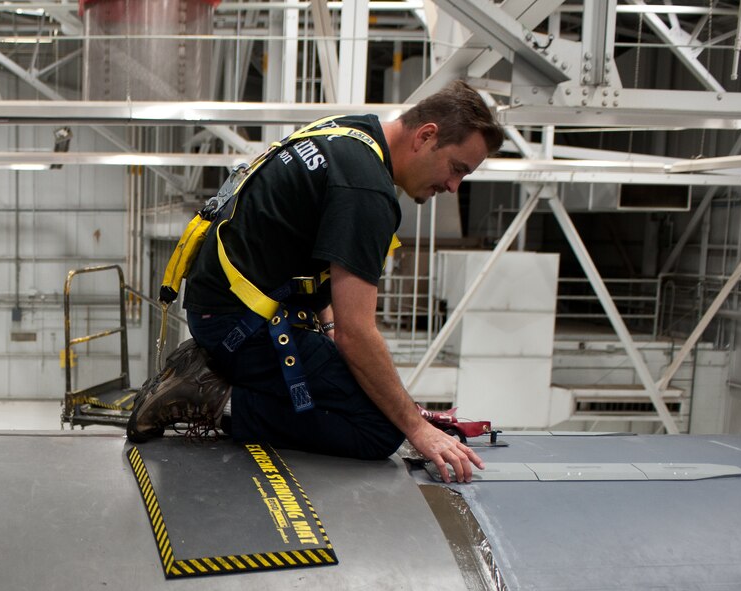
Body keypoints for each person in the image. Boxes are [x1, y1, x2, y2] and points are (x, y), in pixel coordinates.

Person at [127, 80, 504, 483]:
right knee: (379, 429)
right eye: (457, 169)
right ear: (426, 136)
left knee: (376, 392)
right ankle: (214, 399)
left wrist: (326, 328)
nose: (453, 187)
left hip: (229, 308)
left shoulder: (348, 134)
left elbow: (309, 260)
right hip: (240, 326)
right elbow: (357, 334)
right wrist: (418, 427)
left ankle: (217, 378)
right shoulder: (365, 190)